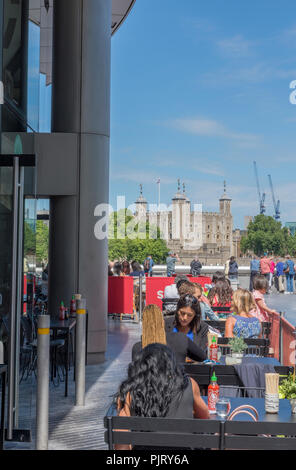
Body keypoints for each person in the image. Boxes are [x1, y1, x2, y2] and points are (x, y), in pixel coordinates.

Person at [115, 343, 210, 450]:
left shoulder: (131, 392)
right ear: (170, 364)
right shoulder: (189, 384)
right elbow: (205, 417)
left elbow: (121, 439)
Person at [131, 304, 206, 363]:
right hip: (176, 381)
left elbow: (135, 373)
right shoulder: (180, 338)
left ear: (144, 325)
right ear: (162, 321)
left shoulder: (137, 348)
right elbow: (202, 357)